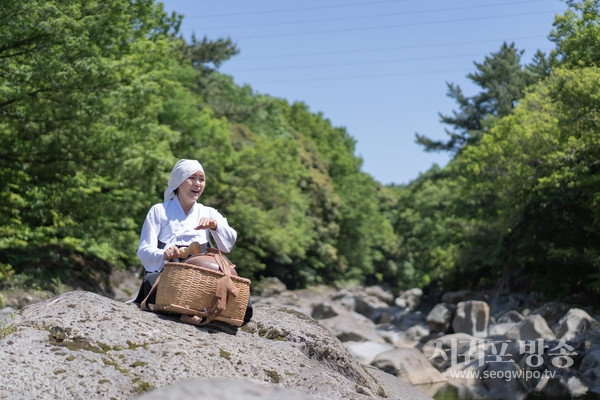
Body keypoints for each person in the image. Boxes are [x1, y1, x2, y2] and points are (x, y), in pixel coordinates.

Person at [132, 159, 252, 328]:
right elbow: (144, 250)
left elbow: (228, 244)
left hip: (200, 275)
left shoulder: (208, 212)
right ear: (178, 182)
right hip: (168, 272)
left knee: (239, 296)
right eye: (192, 178)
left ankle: (191, 311)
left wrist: (215, 226)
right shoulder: (159, 211)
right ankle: (193, 312)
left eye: (201, 179)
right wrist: (164, 253)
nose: (197, 184)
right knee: (151, 281)